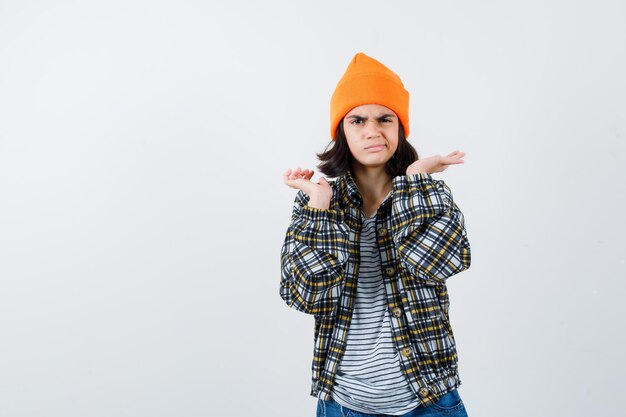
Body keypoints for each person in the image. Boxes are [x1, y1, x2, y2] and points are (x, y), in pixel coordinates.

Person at [279, 52, 472, 417]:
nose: (373, 130)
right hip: (343, 402)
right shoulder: (318, 205)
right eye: (357, 120)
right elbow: (307, 295)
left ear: (399, 128)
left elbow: (436, 263)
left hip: (429, 400)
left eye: (385, 118)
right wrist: (320, 205)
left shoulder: (429, 194)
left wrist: (415, 180)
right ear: (341, 132)